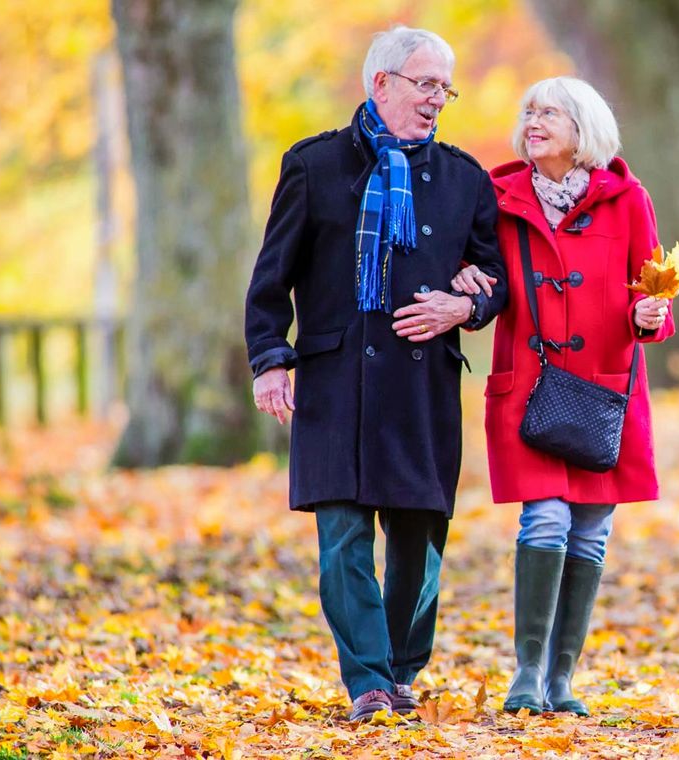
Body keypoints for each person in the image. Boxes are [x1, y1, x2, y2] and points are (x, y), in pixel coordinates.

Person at [244, 26, 506, 723]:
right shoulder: (313, 166)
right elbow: (271, 279)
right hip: (335, 382)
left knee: (420, 537)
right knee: (343, 538)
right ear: (380, 83)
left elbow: (495, 280)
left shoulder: (464, 179)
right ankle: (367, 681)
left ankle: (398, 665)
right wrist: (270, 358)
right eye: (427, 85)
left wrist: (465, 304)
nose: (438, 101)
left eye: (446, 89)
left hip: (422, 388)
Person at [452, 76, 674, 716]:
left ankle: (561, 679)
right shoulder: (498, 197)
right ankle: (526, 672)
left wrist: (651, 316)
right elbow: (479, 273)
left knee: (592, 531)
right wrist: (465, 281)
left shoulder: (628, 199)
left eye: (551, 111)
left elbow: (648, 288)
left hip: (605, 386)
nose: (534, 120)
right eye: (529, 110)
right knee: (544, 517)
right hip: (529, 383)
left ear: (585, 129)